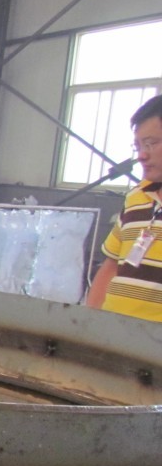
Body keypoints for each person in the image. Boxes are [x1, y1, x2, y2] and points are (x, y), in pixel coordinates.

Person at [86, 95, 162, 321]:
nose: (142, 155)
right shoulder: (135, 198)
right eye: (138, 146)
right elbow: (111, 266)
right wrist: (88, 323)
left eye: (151, 143)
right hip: (113, 332)